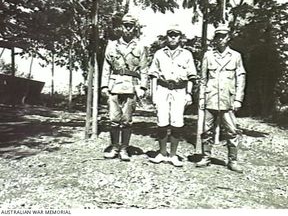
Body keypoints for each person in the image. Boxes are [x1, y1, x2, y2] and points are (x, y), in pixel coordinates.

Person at [196, 24, 246, 173]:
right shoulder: (208, 55)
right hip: (210, 97)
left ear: (228, 38)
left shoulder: (236, 56)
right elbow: (203, 79)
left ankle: (233, 160)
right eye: (218, 36)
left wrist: (238, 99)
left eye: (223, 36)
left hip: (227, 99)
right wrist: (201, 98)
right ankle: (206, 156)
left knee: (231, 130)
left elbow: (241, 78)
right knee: (206, 130)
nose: (220, 39)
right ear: (215, 39)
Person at [148, 24, 197, 167]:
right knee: (162, 121)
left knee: (177, 122)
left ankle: (173, 155)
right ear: (167, 36)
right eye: (170, 34)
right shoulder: (159, 53)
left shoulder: (187, 54)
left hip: (179, 90)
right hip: (162, 89)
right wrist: (153, 93)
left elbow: (191, 76)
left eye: (176, 35)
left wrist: (189, 93)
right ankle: (162, 153)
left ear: (180, 37)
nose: (173, 37)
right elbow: (153, 75)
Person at [102, 14, 148, 161]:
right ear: (121, 27)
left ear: (134, 28)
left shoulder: (140, 47)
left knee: (127, 119)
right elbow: (106, 67)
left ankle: (124, 149)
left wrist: (142, 87)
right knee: (114, 119)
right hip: (114, 85)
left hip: (131, 86)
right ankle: (115, 146)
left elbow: (144, 69)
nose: (128, 28)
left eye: (131, 26)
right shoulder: (112, 45)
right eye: (125, 25)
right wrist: (103, 86)